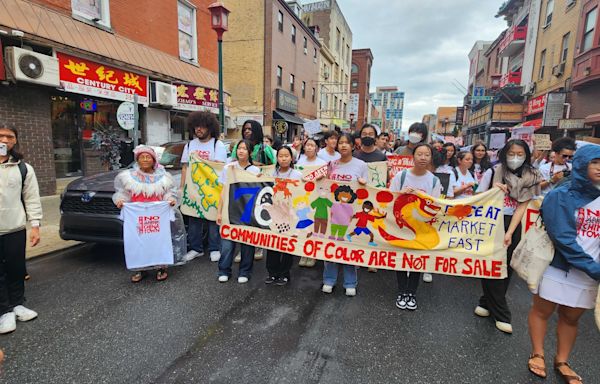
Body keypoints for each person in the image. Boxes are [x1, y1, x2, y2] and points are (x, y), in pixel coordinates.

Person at [526, 144, 600, 383]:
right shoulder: (561, 194)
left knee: (571, 317)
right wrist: (594, 268)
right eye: (595, 162)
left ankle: (562, 360)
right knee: (543, 310)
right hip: (559, 266)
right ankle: (538, 353)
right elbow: (563, 239)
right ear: (582, 164)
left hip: (591, 271)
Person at [474, 139, 542, 333]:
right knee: (490, 263)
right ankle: (502, 313)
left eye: (520, 154)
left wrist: (510, 232)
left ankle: (486, 302)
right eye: (511, 153)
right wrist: (494, 189)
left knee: (506, 265)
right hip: (491, 222)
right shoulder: (494, 171)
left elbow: (523, 205)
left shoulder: (533, 175)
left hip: (512, 223)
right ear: (504, 154)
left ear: (526, 155)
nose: (515, 158)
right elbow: (480, 197)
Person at [113, 146, 178, 282]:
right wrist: (120, 200)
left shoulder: (163, 177)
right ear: (137, 160)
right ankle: (139, 268)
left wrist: (170, 199)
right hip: (137, 217)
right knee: (137, 242)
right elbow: (123, 193)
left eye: (148, 157)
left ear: (153, 160)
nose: (145, 159)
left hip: (157, 217)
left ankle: (161, 267)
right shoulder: (129, 177)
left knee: (158, 241)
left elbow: (168, 192)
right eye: (142, 157)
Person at [389, 143, 442, 311]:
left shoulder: (434, 180)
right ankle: (401, 291)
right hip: (402, 226)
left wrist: (421, 197)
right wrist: (402, 195)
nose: (423, 158)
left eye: (427, 155)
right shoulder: (401, 176)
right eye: (420, 154)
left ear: (431, 158)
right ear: (413, 157)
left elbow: (436, 205)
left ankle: (411, 292)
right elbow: (390, 197)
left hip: (421, 228)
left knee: (416, 261)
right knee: (401, 259)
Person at [0, 124, 42, 334]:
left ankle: (17, 304)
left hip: (14, 227)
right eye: (1, 136)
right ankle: (4, 310)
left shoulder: (23, 168)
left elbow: (32, 198)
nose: (5, 140)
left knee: (16, 268)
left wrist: (35, 225)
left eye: (9, 136)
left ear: (15, 141)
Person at [322, 133, 368, 297]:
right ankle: (329, 280)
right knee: (332, 243)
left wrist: (364, 184)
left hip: (352, 213)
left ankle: (350, 282)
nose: (342, 146)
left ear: (352, 146)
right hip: (333, 211)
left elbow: (369, 192)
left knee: (349, 245)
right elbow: (325, 187)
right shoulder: (331, 164)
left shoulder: (361, 165)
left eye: (346, 143)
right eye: (340, 143)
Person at [180, 111, 228, 262]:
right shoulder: (189, 145)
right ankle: (196, 248)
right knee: (194, 218)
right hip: (194, 188)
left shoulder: (217, 144)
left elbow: (220, 167)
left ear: (209, 127)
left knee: (213, 218)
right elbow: (185, 167)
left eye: (202, 127)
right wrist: (182, 188)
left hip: (213, 188)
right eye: (195, 127)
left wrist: (201, 162)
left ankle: (215, 248)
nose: (198, 129)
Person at [216, 140, 261, 283]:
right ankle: (223, 270)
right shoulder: (228, 168)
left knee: (247, 244)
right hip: (230, 211)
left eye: (244, 148)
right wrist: (219, 212)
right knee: (227, 244)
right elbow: (223, 191)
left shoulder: (255, 171)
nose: (241, 151)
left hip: (248, 212)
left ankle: (245, 272)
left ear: (250, 152)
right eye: (239, 148)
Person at [265, 147, 303, 285]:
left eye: (286, 156)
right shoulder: (271, 173)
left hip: (290, 215)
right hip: (274, 214)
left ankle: (284, 273)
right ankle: (272, 272)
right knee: (272, 243)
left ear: (291, 158)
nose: (284, 158)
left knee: (286, 245)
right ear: (277, 158)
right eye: (281, 156)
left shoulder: (297, 175)